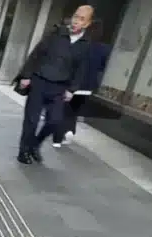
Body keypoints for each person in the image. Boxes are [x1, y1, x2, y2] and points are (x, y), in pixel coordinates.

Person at [15, 5, 93, 164]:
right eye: (76, 16)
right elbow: (36, 54)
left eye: (82, 19)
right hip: (39, 81)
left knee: (55, 121)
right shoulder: (56, 33)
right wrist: (26, 75)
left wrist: (72, 89)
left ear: (87, 23)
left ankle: (34, 145)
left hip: (59, 87)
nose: (77, 21)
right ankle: (23, 151)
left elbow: (80, 69)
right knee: (32, 120)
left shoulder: (85, 44)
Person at [53, 18, 109, 147]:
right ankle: (70, 130)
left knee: (63, 110)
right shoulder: (104, 48)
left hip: (72, 83)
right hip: (88, 85)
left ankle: (59, 137)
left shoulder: (80, 45)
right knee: (74, 111)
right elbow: (101, 67)